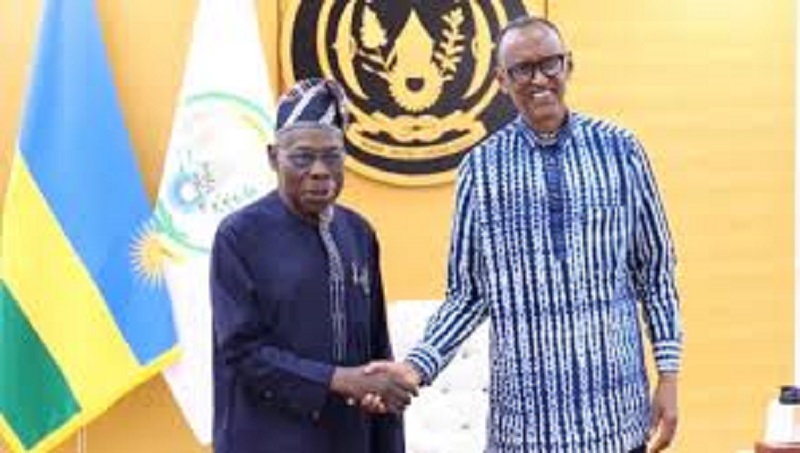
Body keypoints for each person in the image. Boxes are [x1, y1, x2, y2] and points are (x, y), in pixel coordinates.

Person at [366, 15, 683, 453]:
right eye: (521, 69)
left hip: (617, 419)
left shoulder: (621, 150)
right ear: (501, 80)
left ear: (568, 65)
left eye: (549, 63)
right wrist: (417, 367)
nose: (538, 79)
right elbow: (468, 295)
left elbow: (656, 271)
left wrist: (669, 374)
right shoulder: (481, 170)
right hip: (526, 431)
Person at [211, 78, 412, 453]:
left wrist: (383, 405)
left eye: (332, 156)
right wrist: (339, 380)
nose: (320, 170)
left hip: (350, 438)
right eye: (302, 157)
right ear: (274, 157)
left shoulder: (358, 232)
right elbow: (241, 351)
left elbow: (376, 348)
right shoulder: (239, 236)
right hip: (268, 438)